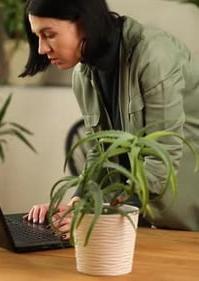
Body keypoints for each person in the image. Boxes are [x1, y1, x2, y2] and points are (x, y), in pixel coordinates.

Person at [19, 0, 199, 237]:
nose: (41, 48)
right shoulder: (82, 74)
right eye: (38, 36)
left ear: (84, 23)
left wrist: (96, 212)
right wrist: (74, 206)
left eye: (49, 34)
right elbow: (99, 151)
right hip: (144, 217)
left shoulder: (154, 55)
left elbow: (160, 162)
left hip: (186, 222)